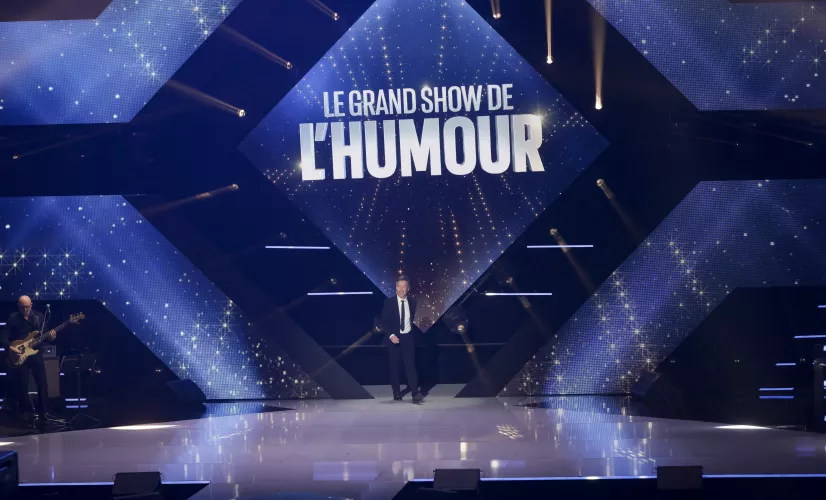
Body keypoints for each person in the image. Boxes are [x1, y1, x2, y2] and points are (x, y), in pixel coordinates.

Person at [0, 296, 56, 425]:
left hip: (35, 353)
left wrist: (52, 337)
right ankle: (26, 412)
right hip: (19, 354)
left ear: (31, 305)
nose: (25, 309)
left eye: (27, 307)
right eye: (22, 307)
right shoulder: (13, 318)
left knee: (42, 383)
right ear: (18, 306)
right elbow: (3, 337)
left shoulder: (39, 317)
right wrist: (11, 348)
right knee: (22, 384)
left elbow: (45, 336)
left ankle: (43, 412)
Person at [379, 275, 423, 403]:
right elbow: (383, 322)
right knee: (394, 367)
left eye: (404, 287)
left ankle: (415, 393)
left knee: (410, 366)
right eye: (399, 286)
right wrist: (391, 335)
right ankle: (396, 392)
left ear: (408, 288)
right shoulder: (389, 303)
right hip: (394, 338)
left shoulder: (413, 303)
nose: (401, 289)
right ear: (396, 287)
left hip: (408, 338)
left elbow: (413, 319)